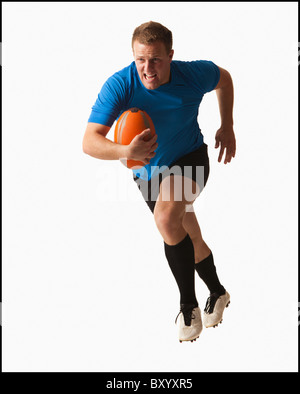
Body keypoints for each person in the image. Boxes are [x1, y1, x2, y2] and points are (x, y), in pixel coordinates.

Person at [83, 21, 236, 342]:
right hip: (148, 173)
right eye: (140, 59)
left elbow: (225, 79)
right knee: (187, 236)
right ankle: (218, 292)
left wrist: (227, 125)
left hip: (190, 159)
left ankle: (187, 306)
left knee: (166, 219)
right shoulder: (120, 84)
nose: (147, 68)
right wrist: (126, 150)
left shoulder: (193, 75)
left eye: (155, 59)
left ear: (170, 55)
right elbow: (89, 141)